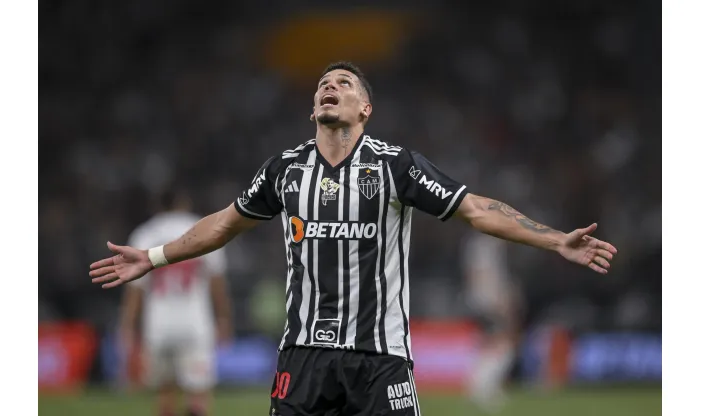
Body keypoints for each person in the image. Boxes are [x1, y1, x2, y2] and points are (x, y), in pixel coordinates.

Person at [90, 61, 617, 416]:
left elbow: (476, 209)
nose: (330, 85)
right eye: (323, 82)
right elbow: (224, 223)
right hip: (302, 357)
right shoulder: (285, 171)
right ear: (312, 108)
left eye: (344, 82)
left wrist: (555, 241)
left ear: (365, 109)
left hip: (380, 357)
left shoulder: (396, 166)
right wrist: (155, 256)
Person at [118, 190, 232, 416]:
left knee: (164, 397)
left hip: (158, 326)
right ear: (184, 202)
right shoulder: (202, 229)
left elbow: (135, 291)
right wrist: (224, 318)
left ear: (158, 206)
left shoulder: (144, 235)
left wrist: (128, 327)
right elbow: (217, 282)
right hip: (195, 324)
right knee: (198, 395)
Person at [461, 232, 522, 412]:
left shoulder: (484, 245)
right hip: (487, 302)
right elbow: (479, 275)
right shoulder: (485, 246)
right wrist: (497, 301)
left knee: (491, 344)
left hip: (482, 300)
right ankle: (483, 388)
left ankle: (482, 387)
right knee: (504, 342)